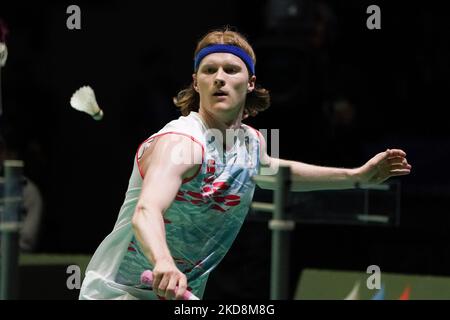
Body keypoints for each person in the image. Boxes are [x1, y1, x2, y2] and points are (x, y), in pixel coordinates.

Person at [79, 28, 411, 300]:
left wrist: (356, 176)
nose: (219, 79)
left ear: (250, 82)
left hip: (179, 296)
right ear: (196, 83)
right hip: (120, 293)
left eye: (231, 70)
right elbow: (146, 210)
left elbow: (272, 171)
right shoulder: (182, 142)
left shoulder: (251, 142)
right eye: (209, 71)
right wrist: (163, 261)